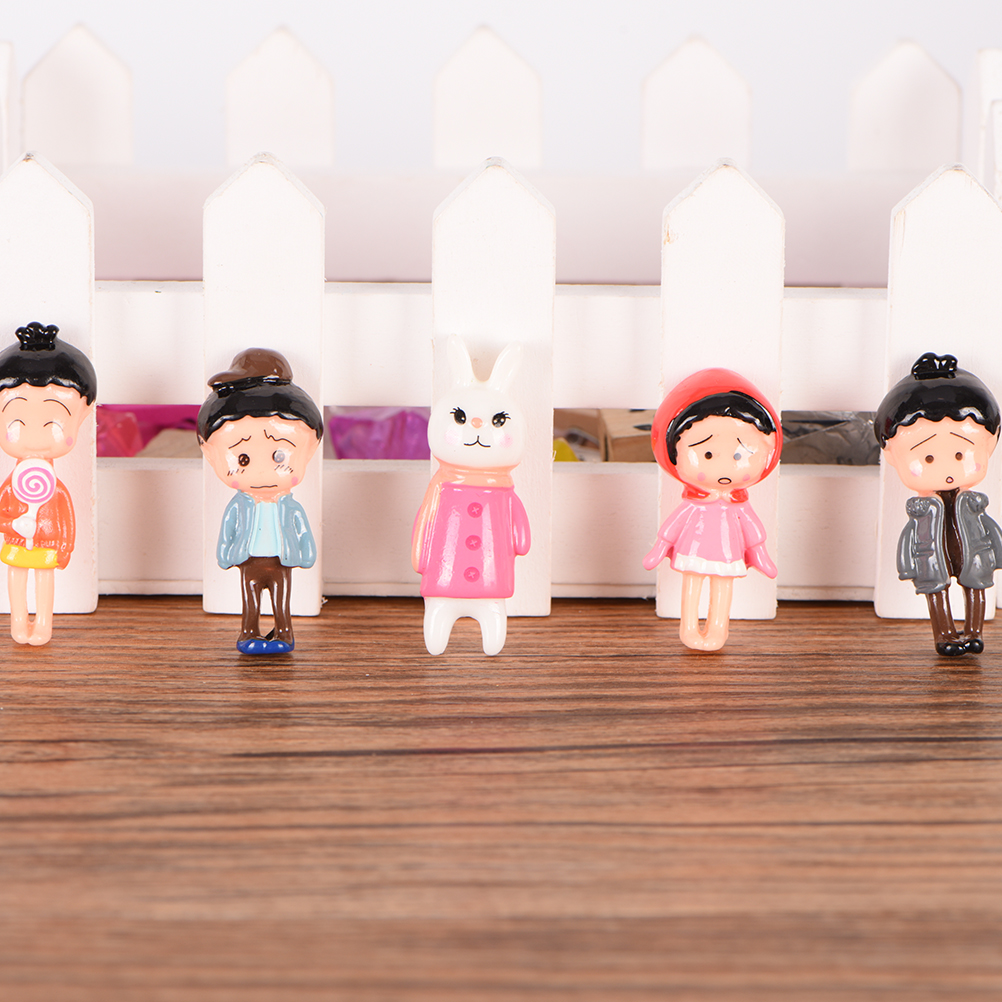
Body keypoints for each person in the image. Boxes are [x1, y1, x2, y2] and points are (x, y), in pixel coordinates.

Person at [644, 368, 781, 651]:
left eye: (739, 454)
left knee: (722, 587)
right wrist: (659, 548)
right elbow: (673, 525)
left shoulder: (737, 505)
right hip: (692, 550)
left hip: (726, 551)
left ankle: (718, 630)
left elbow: (753, 529)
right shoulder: (694, 504)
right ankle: (689, 629)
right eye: (707, 454)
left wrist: (760, 554)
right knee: (692, 586)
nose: (724, 469)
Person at [875, 352, 1002, 656]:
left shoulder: (974, 504)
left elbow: (990, 528)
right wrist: (906, 564)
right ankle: (944, 635)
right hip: (932, 557)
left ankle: (974, 632)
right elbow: (909, 536)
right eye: (928, 457)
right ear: (891, 454)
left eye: (960, 455)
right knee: (937, 592)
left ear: (991, 442)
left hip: (973, 553)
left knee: (976, 587)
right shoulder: (921, 511)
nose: (947, 470)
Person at [198, 348, 322, 654]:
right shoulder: (239, 506)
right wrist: (224, 552)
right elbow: (228, 529)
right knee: (250, 598)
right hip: (249, 560)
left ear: (310, 449)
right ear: (209, 453)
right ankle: (249, 632)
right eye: (243, 458)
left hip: (281, 561)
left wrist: (307, 552)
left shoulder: (289, 507)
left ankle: (284, 633)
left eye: (279, 455)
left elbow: (302, 529)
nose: (263, 472)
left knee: (281, 600)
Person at [0, 321, 97, 645]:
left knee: (44, 580)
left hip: (46, 545)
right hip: (16, 542)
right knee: (16, 579)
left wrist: (65, 547)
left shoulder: (55, 489)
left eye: (51, 422)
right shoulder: (12, 486)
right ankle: (18, 623)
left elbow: (66, 517)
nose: (35, 435)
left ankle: (43, 624)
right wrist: (14, 523)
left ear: (82, 415)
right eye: (17, 420)